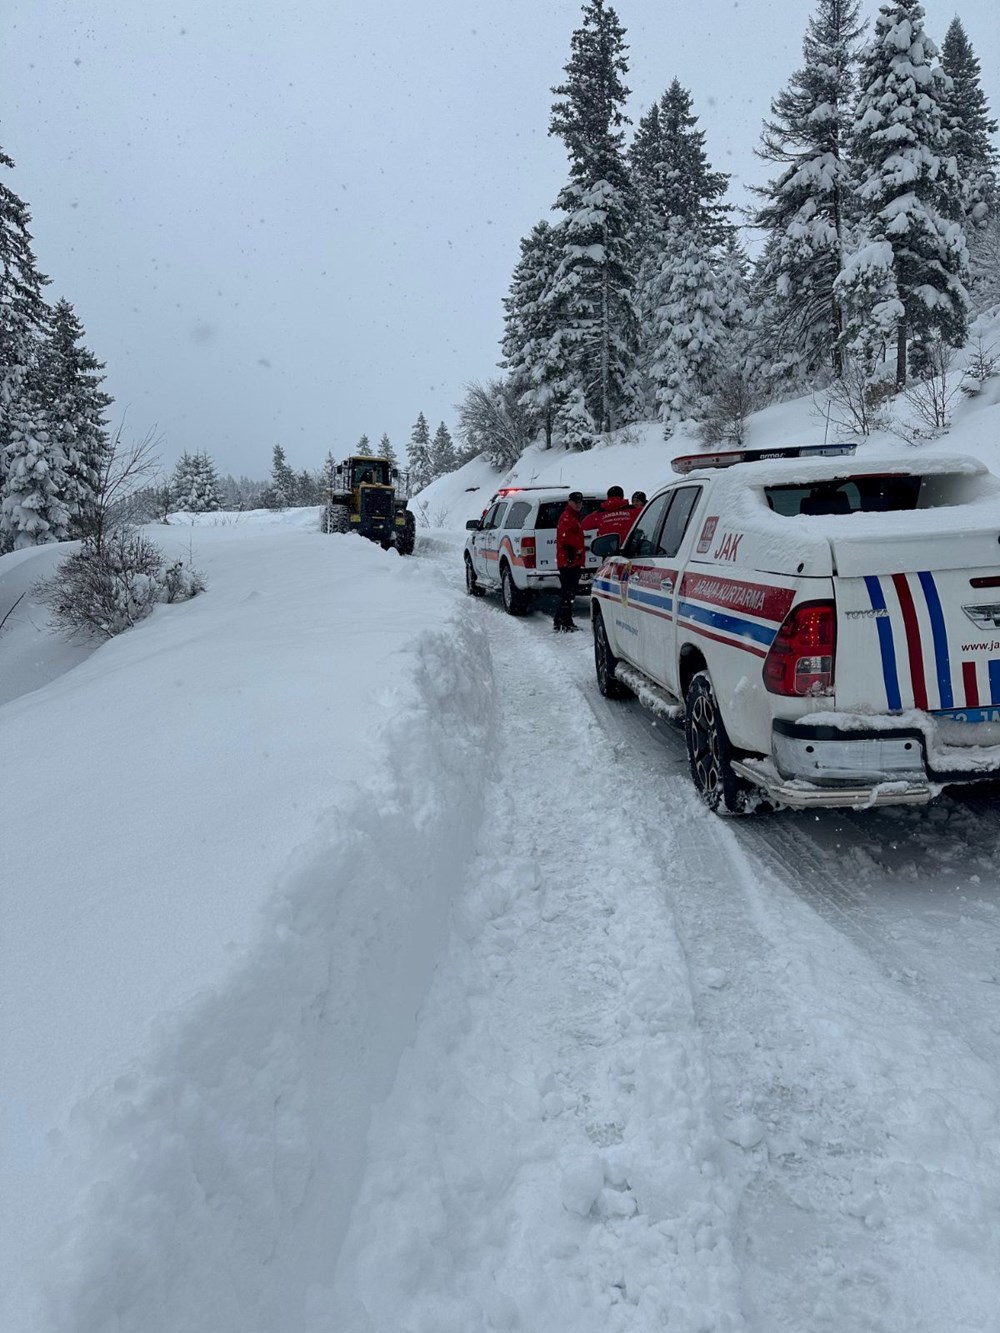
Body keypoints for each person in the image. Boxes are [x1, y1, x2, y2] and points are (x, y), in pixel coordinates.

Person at [554, 491, 586, 632]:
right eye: (575, 502)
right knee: (568, 592)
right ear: (569, 502)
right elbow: (565, 538)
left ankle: (562, 620)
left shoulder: (573, 516)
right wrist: (576, 549)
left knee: (568, 592)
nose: (578, 505)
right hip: (569, 561)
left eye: (580, 502)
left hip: (571, 561)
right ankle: (564, 621)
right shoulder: (568, 517)